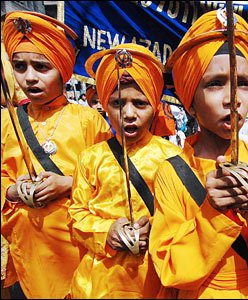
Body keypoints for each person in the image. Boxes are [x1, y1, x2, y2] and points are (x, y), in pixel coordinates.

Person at [149, 9, 248, 299]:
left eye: (243, 83)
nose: (233, 98)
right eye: (215, 83)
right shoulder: (171, 172)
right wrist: (213, 214)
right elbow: (171, 269)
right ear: (190, 102)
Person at [1, 11, 113, 299]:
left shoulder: (89, 121)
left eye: (41, 67)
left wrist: (68, 184)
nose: (30, 77)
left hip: (77, 259)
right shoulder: (6, 122)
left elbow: (110, 182)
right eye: (20, 66)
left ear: (63, 69)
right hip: (26, 256)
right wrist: (13, 190)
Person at [68, 43, 182, 299]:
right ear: (105, 105)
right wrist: (106, 231)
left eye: (140, 103)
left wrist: (154, 228)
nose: (129, 114)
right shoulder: (90, 158)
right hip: (97, 283)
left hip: (153, 279)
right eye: (118, 103)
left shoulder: (173, 157)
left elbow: (184, 218)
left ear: (155, 105)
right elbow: (75, 217)